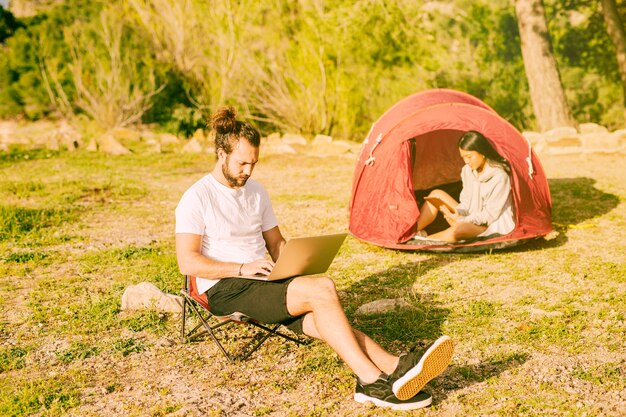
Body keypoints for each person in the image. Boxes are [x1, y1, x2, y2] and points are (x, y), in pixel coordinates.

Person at [175, 106, 454, 410]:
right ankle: (371, 382)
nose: (248, 171)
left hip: (263, 280)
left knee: (323, 316)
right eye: (242, 163)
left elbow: (276, 243)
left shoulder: (256, 192)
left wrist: (296, 262)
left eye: (254, 163)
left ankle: (395, 367)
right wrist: (242, 267)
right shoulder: (197, 197)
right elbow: (187, 262)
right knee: (322, 290)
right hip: (226, 288)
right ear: (221, 154)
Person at [415, 130, 515, 243]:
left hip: (490, 224)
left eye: (469, 156)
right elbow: (466, 201)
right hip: (470, 216)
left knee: (459, 230)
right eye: (463, 157)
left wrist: (462, 220)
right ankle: (410, 234)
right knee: (436, 194)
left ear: (482, 152)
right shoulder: (467, 170)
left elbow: (489, 215)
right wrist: (458, 213)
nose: (466, 161)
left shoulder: (500, 176)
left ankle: (423, 241)